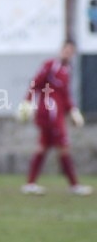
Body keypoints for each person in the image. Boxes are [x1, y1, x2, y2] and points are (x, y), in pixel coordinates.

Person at [17, 40, 93, 196]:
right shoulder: (51, 65)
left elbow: (65, 95)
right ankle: (74, 185)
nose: (68, 53)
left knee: (43, 147)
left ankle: (30, 183)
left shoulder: (67, 70)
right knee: (63, 147)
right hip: (49, 113)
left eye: (71, 51)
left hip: (57, 113)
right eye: (66, 50)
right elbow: (35, 83)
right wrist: (27, 101)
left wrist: (72, 110)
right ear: (61, 50)